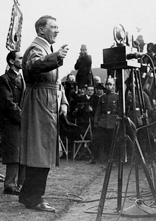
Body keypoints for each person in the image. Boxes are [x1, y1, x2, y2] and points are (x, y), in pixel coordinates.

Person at [19, 15, 68, 212]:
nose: (57, 30)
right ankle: (33, 197)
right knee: (39, 152)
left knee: (42, 151)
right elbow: (33, 67)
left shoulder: (44, 48)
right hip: (39, 101)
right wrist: (56, 56)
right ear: (41, 30)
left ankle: (30, 195)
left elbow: (56, 82)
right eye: (53, 27)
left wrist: (63, 101)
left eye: (58, 27)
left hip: (46, 102)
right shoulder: (35, 48)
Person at [0, 51, 26, 195]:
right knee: (13, 154)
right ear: (11, 61)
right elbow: (8, 103)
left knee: (22, 153)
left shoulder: (23, 79)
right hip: (11, 122)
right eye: (20, 58)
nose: (23, 60)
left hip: (22, 122)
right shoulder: (4, 79)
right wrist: (23, 117)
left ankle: (21, 184)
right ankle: (9, 185)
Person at [92, 77, 118, 163]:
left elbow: (119, 111)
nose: (108, 86)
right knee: (100, 140)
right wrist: (96, 122)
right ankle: (99, 158)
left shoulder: (117, 97)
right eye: (107, 84)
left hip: (112, 121)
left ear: (113, 86)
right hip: (103, 122)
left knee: (112, 141)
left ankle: (112, 159)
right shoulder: (102, 97)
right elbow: (98, 111)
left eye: (110, 84)